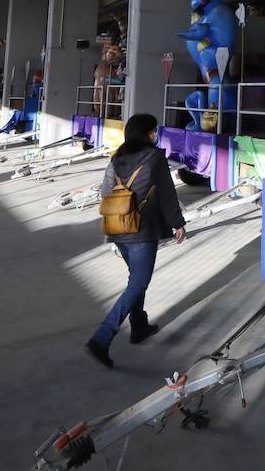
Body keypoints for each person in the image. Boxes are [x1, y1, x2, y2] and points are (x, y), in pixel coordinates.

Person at [85, 114, 186, 369]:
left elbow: (105, 192)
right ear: (147, 133)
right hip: (142, 231)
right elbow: (167, 194)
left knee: (135, 279)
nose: (155, 135)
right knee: (138, 283)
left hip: (117, 228)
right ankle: (102, 337)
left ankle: (139, 326)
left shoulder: (117, 157)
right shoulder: (155, 157)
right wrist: (178, 223)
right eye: (153, 131)